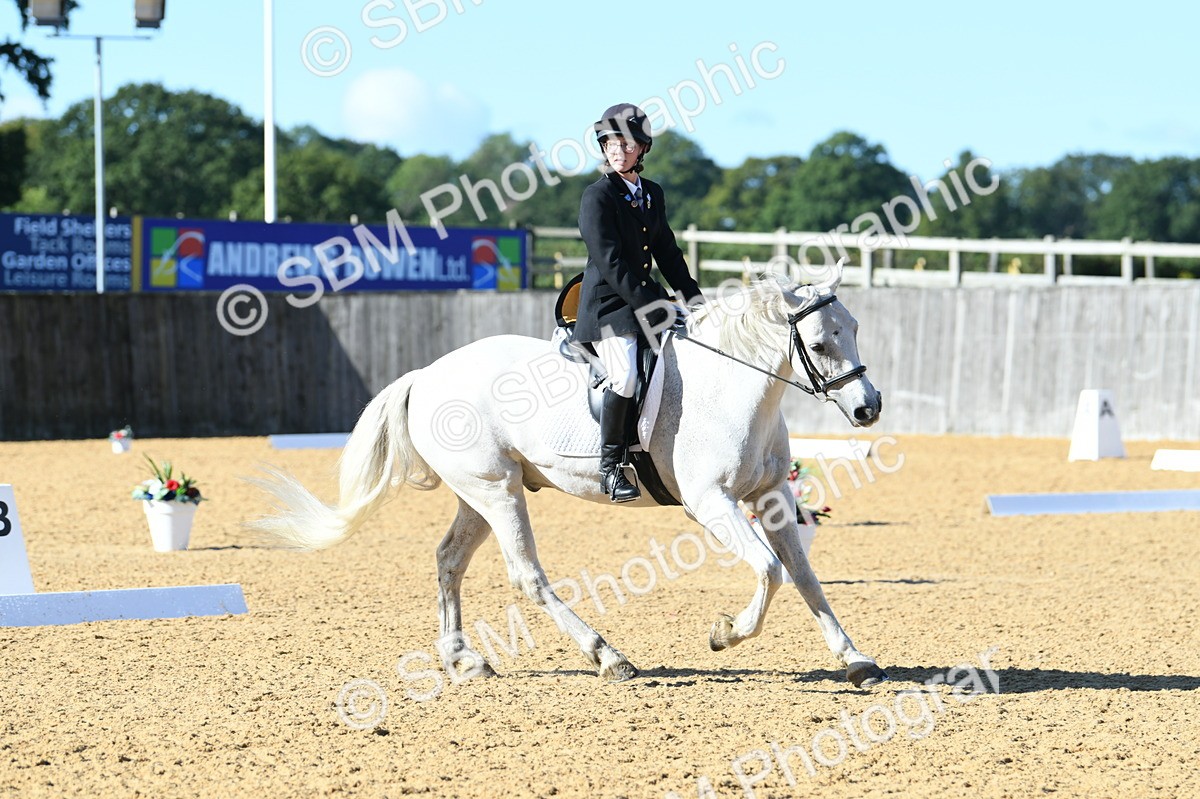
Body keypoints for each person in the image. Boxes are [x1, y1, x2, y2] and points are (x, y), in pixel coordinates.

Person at [574, 103, 703, 503]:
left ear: (642, 149)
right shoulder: (597, 197)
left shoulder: (651, 193)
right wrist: (653, 304)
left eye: (626, 144)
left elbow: (667, 251)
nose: (618, 150)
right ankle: (611, 467)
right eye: (610, 143)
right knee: (625, 376)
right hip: (609, 307)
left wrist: (694, 300)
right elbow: (612, 264)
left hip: (642, 299)